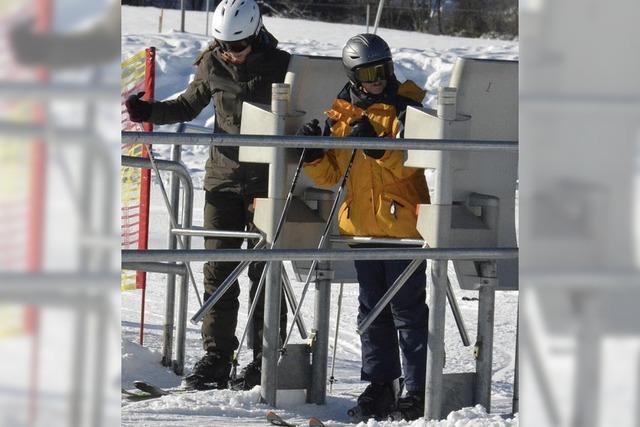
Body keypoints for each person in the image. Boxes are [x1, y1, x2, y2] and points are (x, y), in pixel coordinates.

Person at [125, 0, 289, 391]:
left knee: (265, 270)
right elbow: (187, 104)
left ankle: (265, 359)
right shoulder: (212, 63)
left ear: (256, 35)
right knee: (218, 267)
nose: (231, 54)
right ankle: (217, 356)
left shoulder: (282, 64)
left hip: (268, 180)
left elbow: (308, 110)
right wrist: (148, 111)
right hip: (223, 178)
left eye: (239, 46)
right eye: (224, 46)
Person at [298, 33, 430, 421]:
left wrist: (379, 148)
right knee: (372, 312)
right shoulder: (342, 116)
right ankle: (380, 384)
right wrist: (313, 155)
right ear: (354, 76)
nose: (377, 79)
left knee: (407, 312)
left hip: (402, 224)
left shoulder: (407, 107)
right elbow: (334, 175)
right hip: (362, 227)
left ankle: (417, 389)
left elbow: (415, 163)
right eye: (369, 73)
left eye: (383, 70)